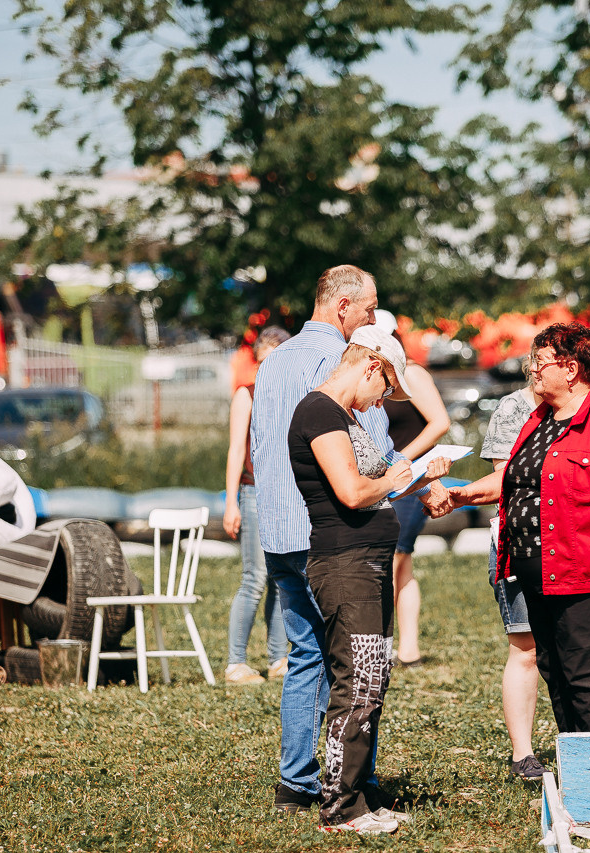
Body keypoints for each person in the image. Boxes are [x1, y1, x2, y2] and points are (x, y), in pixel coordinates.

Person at [251, 264, 450, 817]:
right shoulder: (342, 370)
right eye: (368, 309)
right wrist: (411, 478)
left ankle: (296, 781)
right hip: (336, 532)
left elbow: (262, 447)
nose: (370, 318)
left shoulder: (272, 363)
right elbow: (370, 456)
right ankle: (355, 786)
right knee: (357, 666)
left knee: (305, 656)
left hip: (281, 527)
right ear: (343, 308)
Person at [442, 323, 590, 733]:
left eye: (540, 361)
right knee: (556, 670)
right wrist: (460, 496)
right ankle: (578, 774)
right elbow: (513, 478)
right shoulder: (540, 419)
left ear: (570, 369)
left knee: (587, 677)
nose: (532, 369)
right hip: (541, 570)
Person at [289, 326, 452, 833]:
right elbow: (355, 491)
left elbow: (376, 473)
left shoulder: (345, 417)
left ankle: (356, 796)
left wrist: (420, 474)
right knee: (357, 683)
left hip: (367, 563)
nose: (383, 400)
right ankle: (339, 808)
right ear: (370, 366)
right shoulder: (318, 412)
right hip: (346, 564)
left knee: (372, 679)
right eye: (386, 387)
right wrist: (400, 478)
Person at [374, 310, 450, 667]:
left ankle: (381, 647)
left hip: (409, 479)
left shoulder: (412, 373)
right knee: (402, 567)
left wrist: (399, 458)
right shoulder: (378, 378)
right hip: (388, 479)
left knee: (394, 560)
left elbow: (440, 422)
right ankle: (408, 651)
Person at [478, 374, 544, 779]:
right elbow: (505, 479)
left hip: (576, 543)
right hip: (520, 541)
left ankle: (583, 741)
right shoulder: (513, 409)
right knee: (526, 648)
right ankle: (523, 753)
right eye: (537, 363)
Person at [222, 326, 292, 684]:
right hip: (253, 494)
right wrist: (231, 502)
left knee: (283, 578)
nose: (268, 369)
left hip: (286, 495)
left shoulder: (293, 396)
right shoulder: (246, 395)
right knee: (255, 577)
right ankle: (236, 662)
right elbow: (236, 450)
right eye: (263, 362)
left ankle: (278, 658)